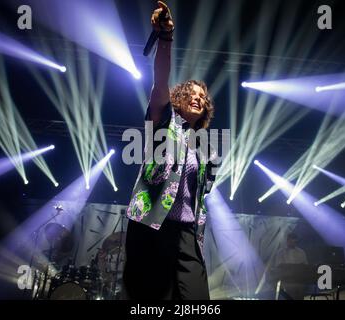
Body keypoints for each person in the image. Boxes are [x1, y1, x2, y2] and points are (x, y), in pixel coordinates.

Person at [122, 1, 217, 300]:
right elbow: (160, 81)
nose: (199, 99)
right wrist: (165, 39)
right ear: (181, 97)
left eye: (203, 97)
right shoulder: (164, 121)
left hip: (187, 235)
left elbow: (202, 193)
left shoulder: (205, 146)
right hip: (152, 227)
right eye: (193, 93)